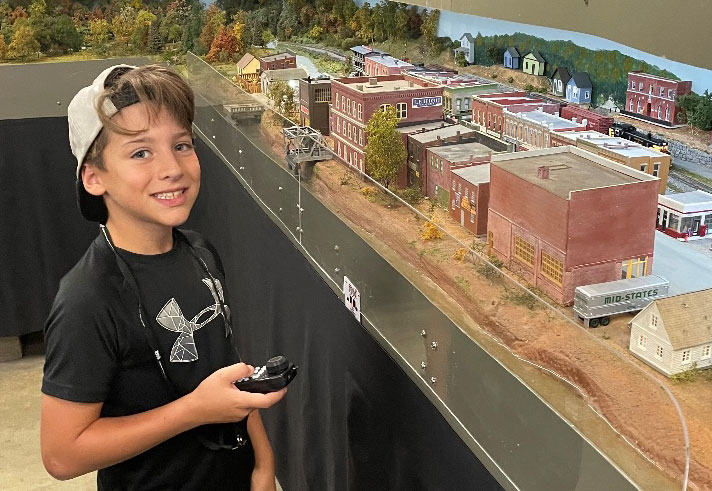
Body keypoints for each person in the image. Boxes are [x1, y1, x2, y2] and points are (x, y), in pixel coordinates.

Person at [40, 64, 286, 490]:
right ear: (94, 177)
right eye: (140, 152)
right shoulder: (87, 299)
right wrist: (194, 410)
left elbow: (227, 368)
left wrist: (263, 465)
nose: (172, 168)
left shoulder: (201, 253)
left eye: (182, 145)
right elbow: (62, 455)